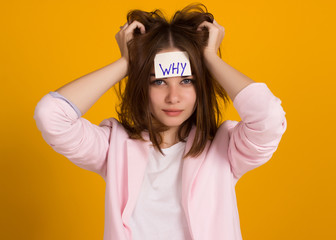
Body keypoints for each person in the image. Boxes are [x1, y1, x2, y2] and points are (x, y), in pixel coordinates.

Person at [33, 3, 287, 240]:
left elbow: (269, 117)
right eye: (158, 81)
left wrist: (210, 58)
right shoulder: (114, 147)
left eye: (187, 81)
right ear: (142, 84)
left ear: (202, 85)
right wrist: (127, 63)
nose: (173, 97)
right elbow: (51, 115)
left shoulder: (226, 149)